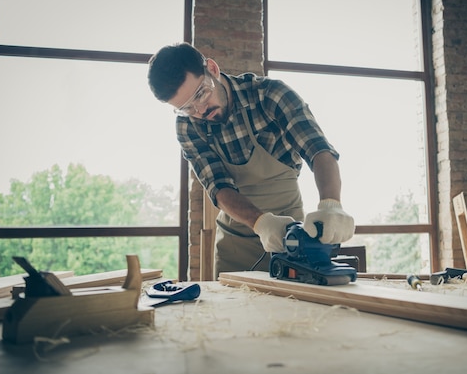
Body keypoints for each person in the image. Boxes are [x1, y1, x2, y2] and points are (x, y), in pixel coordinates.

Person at [147, 42, 354, 276]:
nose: (200, 110)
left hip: (290, 234)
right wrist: (262, 223)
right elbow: (219, 187)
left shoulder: (270, 95)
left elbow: (318, 150)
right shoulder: (187, 126)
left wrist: (331, 204)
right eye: (187, 108)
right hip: (235, 243)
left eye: (201, 94)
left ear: (212, 69)